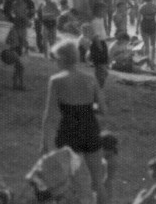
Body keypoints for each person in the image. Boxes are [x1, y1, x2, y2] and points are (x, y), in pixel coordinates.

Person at [40, 40, 107, 204]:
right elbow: (103, 109)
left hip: (68, 131)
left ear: (62, 59)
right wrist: (90, 107)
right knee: (97, 182)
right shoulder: (90, 79)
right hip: (89, 127)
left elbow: (50, 115)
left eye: (56, 59)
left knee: (68, 183)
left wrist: (45, 142)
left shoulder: (56, 80)